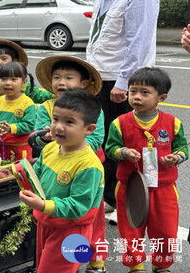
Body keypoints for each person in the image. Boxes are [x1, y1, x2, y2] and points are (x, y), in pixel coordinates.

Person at [84, 0, 160, 222]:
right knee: (108, 141)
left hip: (123, 83)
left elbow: (138, 43)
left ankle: (143, 199)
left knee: (136, 142)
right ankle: (113, 198)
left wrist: (124, 83)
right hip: (100, 80)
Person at [105, 67, 188, 273]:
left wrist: (176, 157)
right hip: (130, 187)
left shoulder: (172, 123)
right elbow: (110, 149)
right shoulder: (120, 123)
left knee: (166, 231)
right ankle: (136, 266)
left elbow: (183, 147)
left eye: (145, 92)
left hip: (164, 189)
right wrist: (123, 152)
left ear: (162, 97)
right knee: (130, 229)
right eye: (133, 91)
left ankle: (161, 265)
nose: (137, 97)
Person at [34, 56, 107, 273]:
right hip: (52, 205)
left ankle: (95, 261)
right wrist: (45, 140)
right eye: (56, 77)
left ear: (84, 83)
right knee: (48, 262)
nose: (61, 82)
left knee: (92, 226)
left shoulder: (92, 111)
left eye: (68, 77)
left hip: (81, 178)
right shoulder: (48, 109)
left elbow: (94, 140)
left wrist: (63, 143)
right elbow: (38, 136)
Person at [20, 88, 104, 273]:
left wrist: (43, 205)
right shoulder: (51, 149)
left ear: (89, 129)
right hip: (47, 222)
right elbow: (38, 175)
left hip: (72, 231)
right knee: (44, 267)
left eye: (69, 122)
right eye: (56, 119)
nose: (58, 127)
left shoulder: (88, 165)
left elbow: (78, 206)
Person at [0, 62, 36, 161]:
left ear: (24, 82)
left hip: (19, 149)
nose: (7, 83)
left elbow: (29, 125)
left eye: (13, 79)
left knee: (18, 174)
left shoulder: (27, 103)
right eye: (3, 79)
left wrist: (11, 128)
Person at [0, 39, 53, 107]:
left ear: (14, 61)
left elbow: (41, 96)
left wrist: (57, 92)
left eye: (4, 59)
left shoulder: (23, 83)